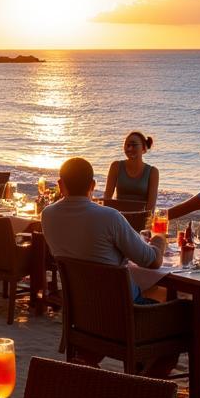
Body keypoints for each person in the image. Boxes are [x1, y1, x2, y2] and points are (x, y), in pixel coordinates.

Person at [42, 157, 178, 375]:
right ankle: (147, 385)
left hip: (82, 310)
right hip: (119, 314)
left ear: (60, 184)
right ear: (93, 186)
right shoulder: (109, 217)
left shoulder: (48, 215)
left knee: (152, 289)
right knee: (185, 316)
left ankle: (96, 363)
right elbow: (152, 260)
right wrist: (160, 238)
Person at [103, 131, 159, 211]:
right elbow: (107, 199)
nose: (129, 148)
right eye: (127, 145)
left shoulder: (152, 172)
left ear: (144, 148)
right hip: (118, 218)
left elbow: (151, 208)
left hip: (140, 218)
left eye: (134, 145)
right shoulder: (116, 166)